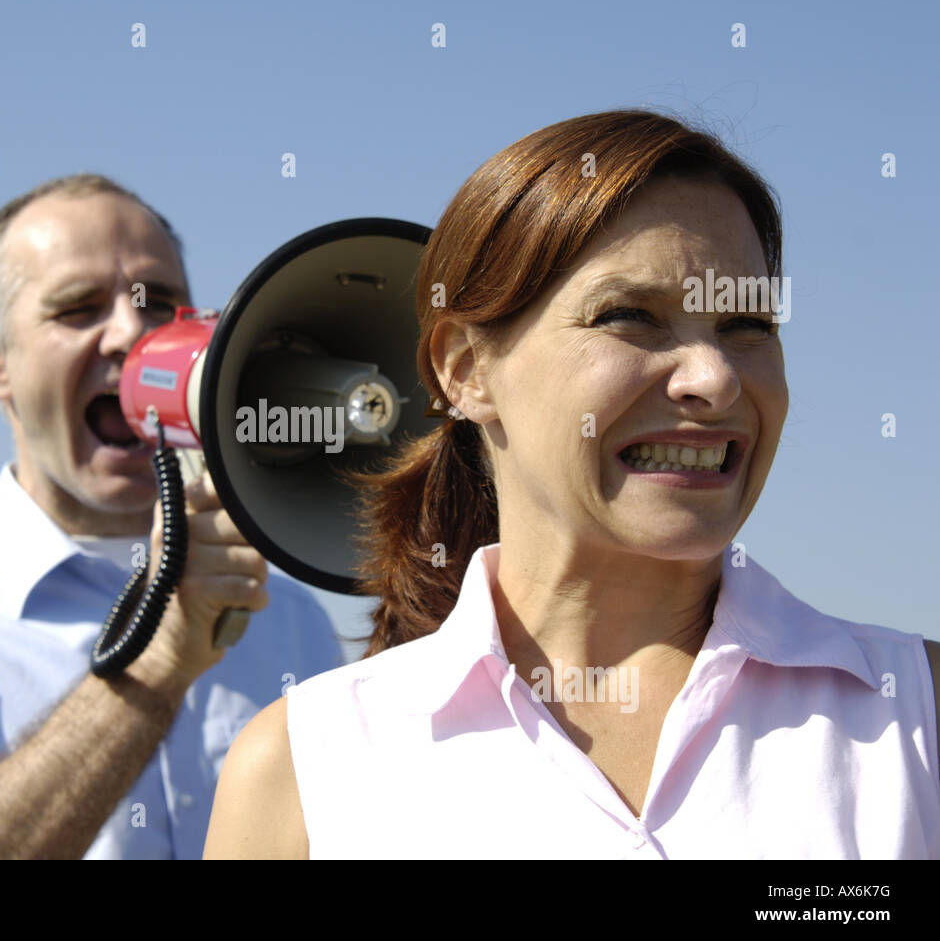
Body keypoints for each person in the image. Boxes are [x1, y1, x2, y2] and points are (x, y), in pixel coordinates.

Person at [204, 111, 940, 859]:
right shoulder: (300, 772)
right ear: (464, 368)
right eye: (630, 317)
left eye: (748, 324)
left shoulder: (921, 715)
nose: (714, 379)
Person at [0, 174, 343, 859]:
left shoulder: (289, 618)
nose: (130, 334)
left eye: (159, 304)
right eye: (76, 308)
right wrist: (157, 658)